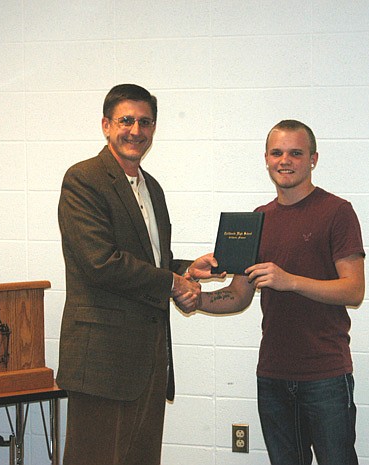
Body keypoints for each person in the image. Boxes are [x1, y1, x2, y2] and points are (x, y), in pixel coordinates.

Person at [57, 83, 217, 465]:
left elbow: (149, 260)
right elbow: (101, 262)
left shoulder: (152, 188)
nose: (136, 130)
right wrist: (172, 283)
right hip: (101, 362)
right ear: (106, 125)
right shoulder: (84, 179)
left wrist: (185, 269)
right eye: (126, 120)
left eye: (145, 122)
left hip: (148, 360)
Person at [191, 120, 366, 465]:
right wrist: (192, 296)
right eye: (277, 152)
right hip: (272, 375)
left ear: (313, 159)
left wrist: (291, 281)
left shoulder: (337, 212)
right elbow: (238, 295)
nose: (285, 160)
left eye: (295, 153)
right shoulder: (256, 219)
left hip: (326, 375)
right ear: (267, 159)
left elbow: (354, 289)